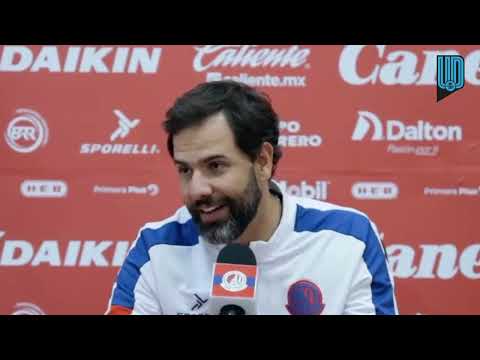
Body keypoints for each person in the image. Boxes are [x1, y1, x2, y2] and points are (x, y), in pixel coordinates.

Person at [105, 80, 398, 315]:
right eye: (184, 170)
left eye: (215, 166)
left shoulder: (349, 238)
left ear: (262, 161)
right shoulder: (155, 248)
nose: (197, 190)